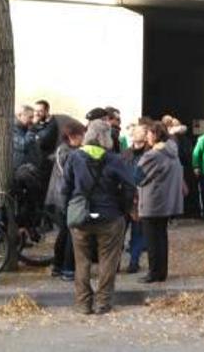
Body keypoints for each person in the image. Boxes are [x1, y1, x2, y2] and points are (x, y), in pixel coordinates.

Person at [61, 121, 136, 315]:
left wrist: (68, 210)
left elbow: (65, 189)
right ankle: (103, 303)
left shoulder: (74, 157)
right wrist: (123, 209)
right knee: (108, 261)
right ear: (106, 137)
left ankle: (83, 303)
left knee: (82, 261)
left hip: (81, 217)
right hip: (109, 216)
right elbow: (129, 187)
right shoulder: (115, 159)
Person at [137, 121, 185, 283]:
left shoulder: (152, 155)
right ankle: (161, 272)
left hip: (151, 201)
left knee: (151, 240)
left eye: (149, 133)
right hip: (166, 202)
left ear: (156, 135)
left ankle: (153, 272)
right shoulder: (172, 151)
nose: (147, 136)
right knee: (161, 237)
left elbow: (137, 177)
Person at [45, 121, 86, 281]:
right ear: (73, 136)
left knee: (64, 232)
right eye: (82, 135)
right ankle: (68, 268)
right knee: (70, 234)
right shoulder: (68, 153)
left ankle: (57, 265)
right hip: (65, 198)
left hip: (59, 197)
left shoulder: (63, 150)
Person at [121, 124, 148, 273]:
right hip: (125, 198)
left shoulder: (149, 153)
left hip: (141, 197)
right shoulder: (125, 154)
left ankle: (134, 261)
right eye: (137, 131)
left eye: (142, 131)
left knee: (138, 232)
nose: (136, 133)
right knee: (120, 232)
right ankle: (116, 262)